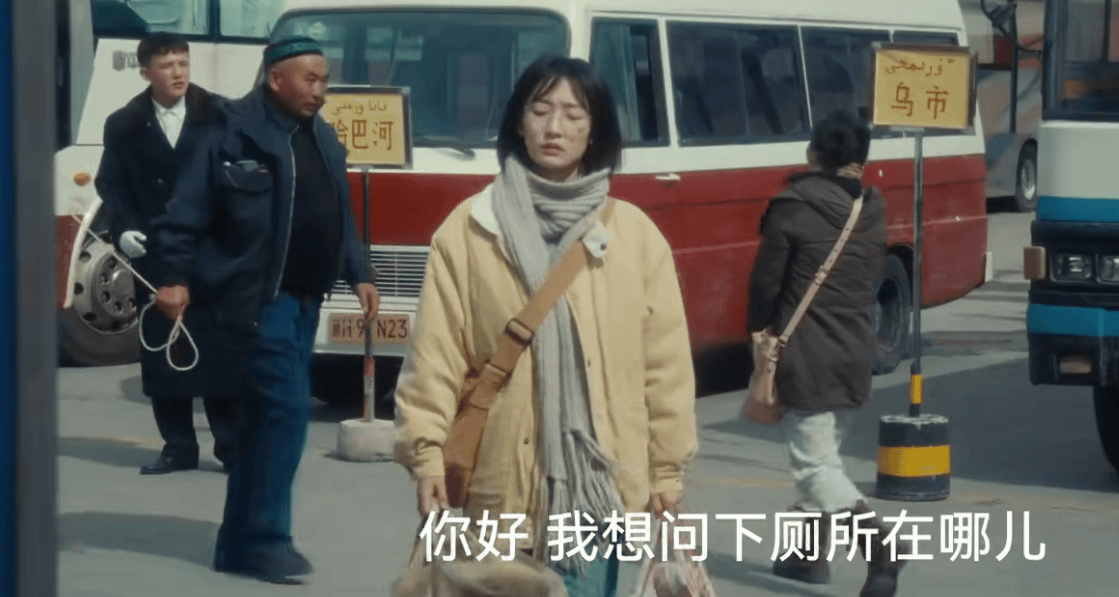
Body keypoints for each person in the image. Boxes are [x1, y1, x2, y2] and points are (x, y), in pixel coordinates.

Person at [393, 55, 698, 597]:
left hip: (598, 489)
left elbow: (665, 367)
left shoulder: (634, 235)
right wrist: (426, 455)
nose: (555, 127)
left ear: (595, 129)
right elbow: (435, 355)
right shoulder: (470, 229)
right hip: (499, 489)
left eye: (574, 115)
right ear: (518, 121)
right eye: (540, 111)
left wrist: (667, 471)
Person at [148, 36, 381, 585]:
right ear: (277, 79)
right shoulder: (227, 130)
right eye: (310, 80)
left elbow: (340, 210)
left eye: (324, 80)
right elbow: (184, 208)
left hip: (305, 302)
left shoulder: (323, 137)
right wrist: (173, 277)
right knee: (287, 413)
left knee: (258, 423)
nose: (321, 91)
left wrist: (360, 271)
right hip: (253, 300)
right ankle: (268, 540)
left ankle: (235, 545)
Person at [745, 107, 906, 597]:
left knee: (816, 468)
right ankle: (805, 558)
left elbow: (767, 283)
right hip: (855, 353)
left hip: (807, 356)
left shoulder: (794, 206)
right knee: (823, 458)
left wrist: (759, 335)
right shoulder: (872, 207)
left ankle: (882, 549)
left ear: (813, 152)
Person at [93, 32, 239, 476]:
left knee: (217, 351)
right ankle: (178, 447)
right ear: (145, 72)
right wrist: (122, 230)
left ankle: (231, 448)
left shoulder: (220, 114)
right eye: (166, 65)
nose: (177, 73)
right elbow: (110, 184)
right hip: (154, 254)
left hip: (211, 252)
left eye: (182, 63)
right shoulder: (124, 123)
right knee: (162, 352)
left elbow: (242, 182)